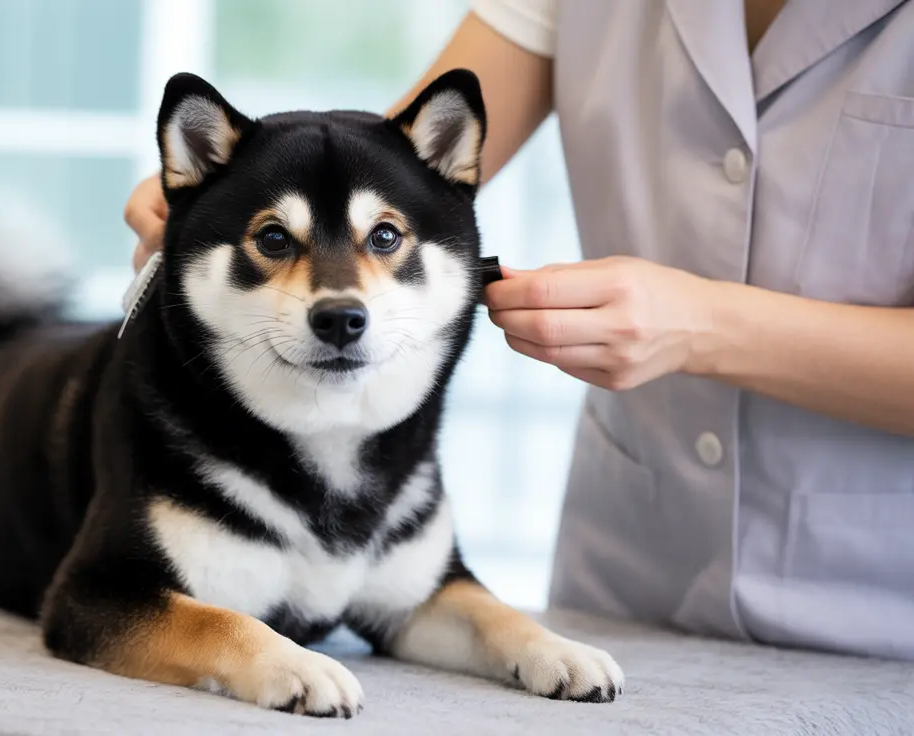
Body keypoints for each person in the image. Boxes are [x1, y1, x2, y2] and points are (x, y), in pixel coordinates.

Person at [122, 0, 914, 662]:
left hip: (876, 612)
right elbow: (400, 157)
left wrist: (702, 326)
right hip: (630, 579)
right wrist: (233, 185)